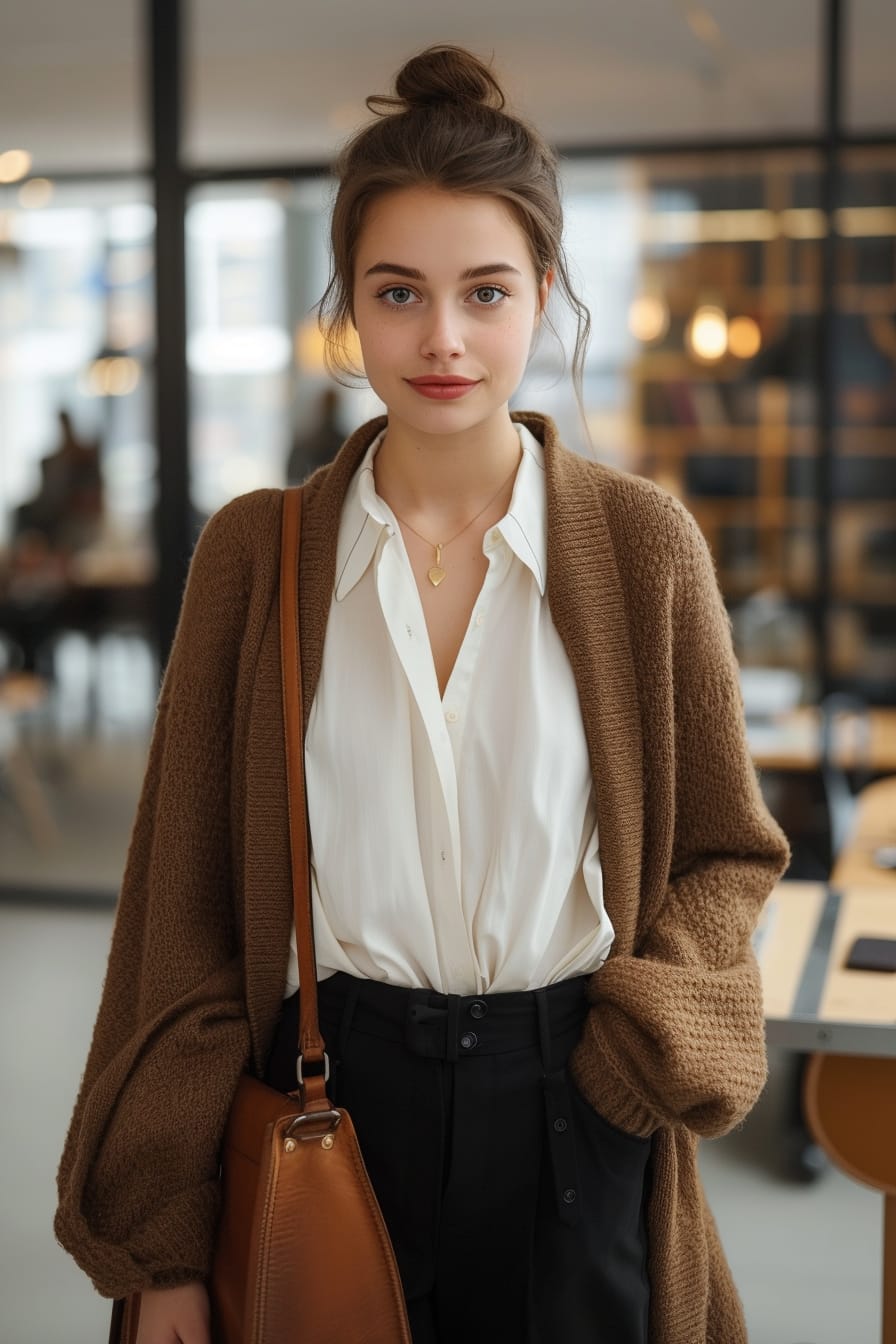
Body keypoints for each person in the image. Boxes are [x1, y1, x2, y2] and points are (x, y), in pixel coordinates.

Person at [55, 45, 790, 1344]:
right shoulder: (258, 553)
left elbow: (727, 853)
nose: (442, 339)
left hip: (577, 1101)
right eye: (400, 294)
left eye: (485, 292)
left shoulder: (639, 546)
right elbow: (182, 907)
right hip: (328, 1097)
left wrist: (640, 1050)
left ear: (544, 296)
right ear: (350, 305)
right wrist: (161, 1246)